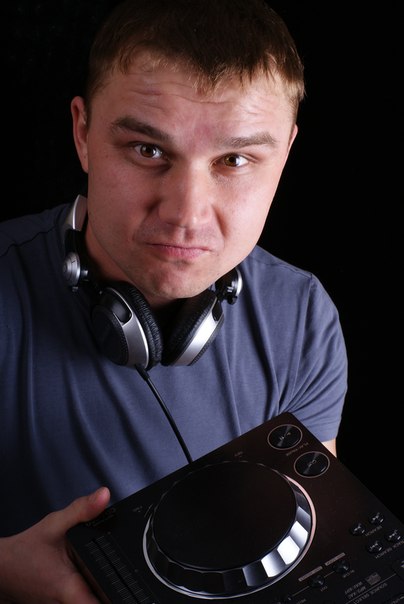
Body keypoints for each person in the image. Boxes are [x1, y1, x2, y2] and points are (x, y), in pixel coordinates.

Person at [0, 0, 348, 601]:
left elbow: (306, 561)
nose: (186, 214)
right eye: (147, 150)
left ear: (285, 155)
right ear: (83, 134)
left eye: (235, 160)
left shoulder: (304, 317)